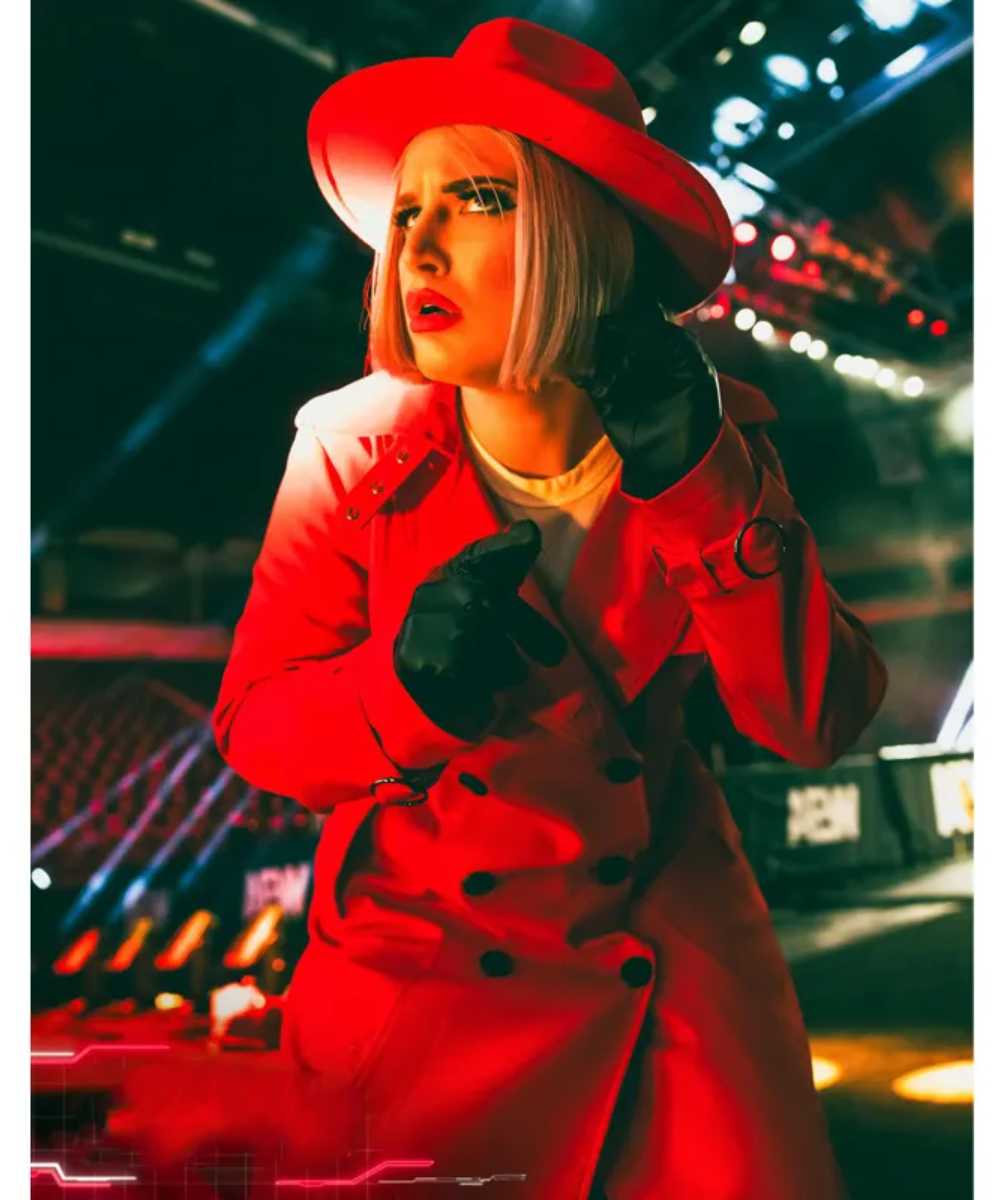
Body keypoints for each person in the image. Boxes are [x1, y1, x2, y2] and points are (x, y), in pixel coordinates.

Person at [213, 17, 887, 1199]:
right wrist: (400, 694)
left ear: (585, 236)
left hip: (668, 973)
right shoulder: (345, 446)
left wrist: (701, 488)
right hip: (421, 974)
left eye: (475, 199)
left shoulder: (719, 442)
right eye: (406, 211)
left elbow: (809, 721)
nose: (417, 245)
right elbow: (256, 728)